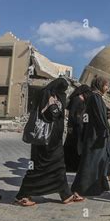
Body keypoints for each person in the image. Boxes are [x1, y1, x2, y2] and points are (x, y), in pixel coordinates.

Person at [14, 78, 84, 206]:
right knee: (37, 168)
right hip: (44, 143)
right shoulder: (47, 95)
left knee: (59, 167)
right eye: (62, 89)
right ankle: (22, 195)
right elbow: (53, 115)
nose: (63, 92)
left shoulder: (56, 95)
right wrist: (52, 103)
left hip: (55, 142)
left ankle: (66, 194)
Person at [71, 76, 110, 196]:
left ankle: (93, 186)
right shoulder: (96, 97)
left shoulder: (94, 97)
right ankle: (81, 189)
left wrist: (106, 115)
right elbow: (99, 118)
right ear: (100, 85)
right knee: (91, 162)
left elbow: (97, 114)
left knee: (98, 161)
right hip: (96, 135)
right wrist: (106, 130)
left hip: (95, 134)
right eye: (106, 86)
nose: (107, 88)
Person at [63, 84, 92, 172]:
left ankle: (76, 166)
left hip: (80, 126)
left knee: (77, 146)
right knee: (72, 146)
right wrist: (70, 126)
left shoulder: (83, 100)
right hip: (74, 127)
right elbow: (72, 114)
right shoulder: (76, 99)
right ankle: (69, 166)